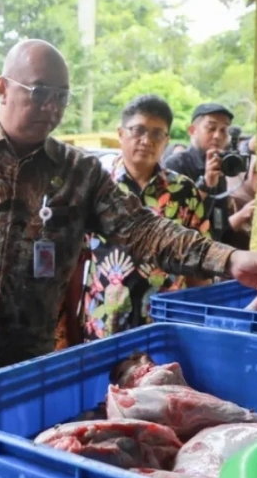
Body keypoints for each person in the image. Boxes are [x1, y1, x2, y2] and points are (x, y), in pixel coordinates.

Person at [0, 39, 257, 374]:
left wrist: (227, 259)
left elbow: (144, 229)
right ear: (2, 88)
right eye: (39, 91)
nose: (51, 106)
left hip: (30, 365)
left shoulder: (78, 171)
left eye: (61, 95)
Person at [82, 95, 213, 341]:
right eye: (138, 130)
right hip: (103, 324)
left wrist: (201, 324)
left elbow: (200, 262)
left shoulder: (184, 192)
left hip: (166, 325)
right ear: (121, 133)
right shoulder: (96, 186)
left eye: (156, 134)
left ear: (167, 140)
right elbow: (76, 258)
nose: (146, 140)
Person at [163, 103, 237, 243]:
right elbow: (174, 219)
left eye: (224, 130)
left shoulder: (220, 168)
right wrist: (206, 184)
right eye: (211, 128)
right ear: (192, 130)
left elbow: (219, 224)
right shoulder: (175, 164)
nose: (217, 136)